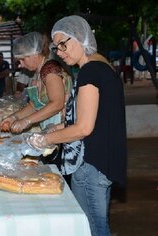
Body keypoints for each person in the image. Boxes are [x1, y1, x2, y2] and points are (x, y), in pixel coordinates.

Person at [27, 15, 127, 236]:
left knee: (93, 227)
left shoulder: (90, 71)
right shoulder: (103, 66)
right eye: (56, 47)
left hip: (92, 162)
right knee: (93, 223)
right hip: (103, 159)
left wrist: (45, 140)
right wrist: (61, 126)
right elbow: (97, 115)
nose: (60, 52)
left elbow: (84, 128)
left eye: (64, 44)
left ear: (80, 37)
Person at [0, 32, 72, 135]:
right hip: (50, 128)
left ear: (34, 54)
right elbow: (34, 105)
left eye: (23, 59)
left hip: (63, 128)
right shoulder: (39, 72)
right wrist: (13, 117)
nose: (20, 65)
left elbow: (57, 103)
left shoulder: (50, 70)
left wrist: (26, 121)